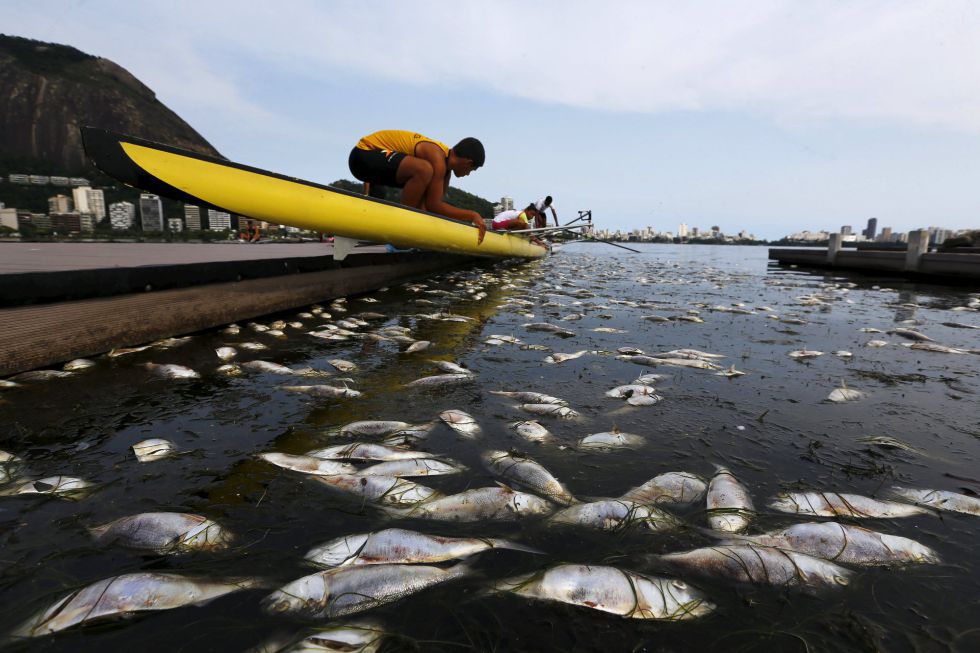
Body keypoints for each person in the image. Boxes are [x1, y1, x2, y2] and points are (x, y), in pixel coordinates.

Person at [348, 130, 487, 244]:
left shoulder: (445, 172)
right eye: (471, 170)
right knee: (424, 170)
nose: (468, 174)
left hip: (377, 167)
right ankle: (402, 229)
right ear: (468, 163)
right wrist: (472, 215)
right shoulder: (437, 156)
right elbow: (435, 205)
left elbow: (432, 207)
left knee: (425, 183)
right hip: (362, 155)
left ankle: (405, 232)